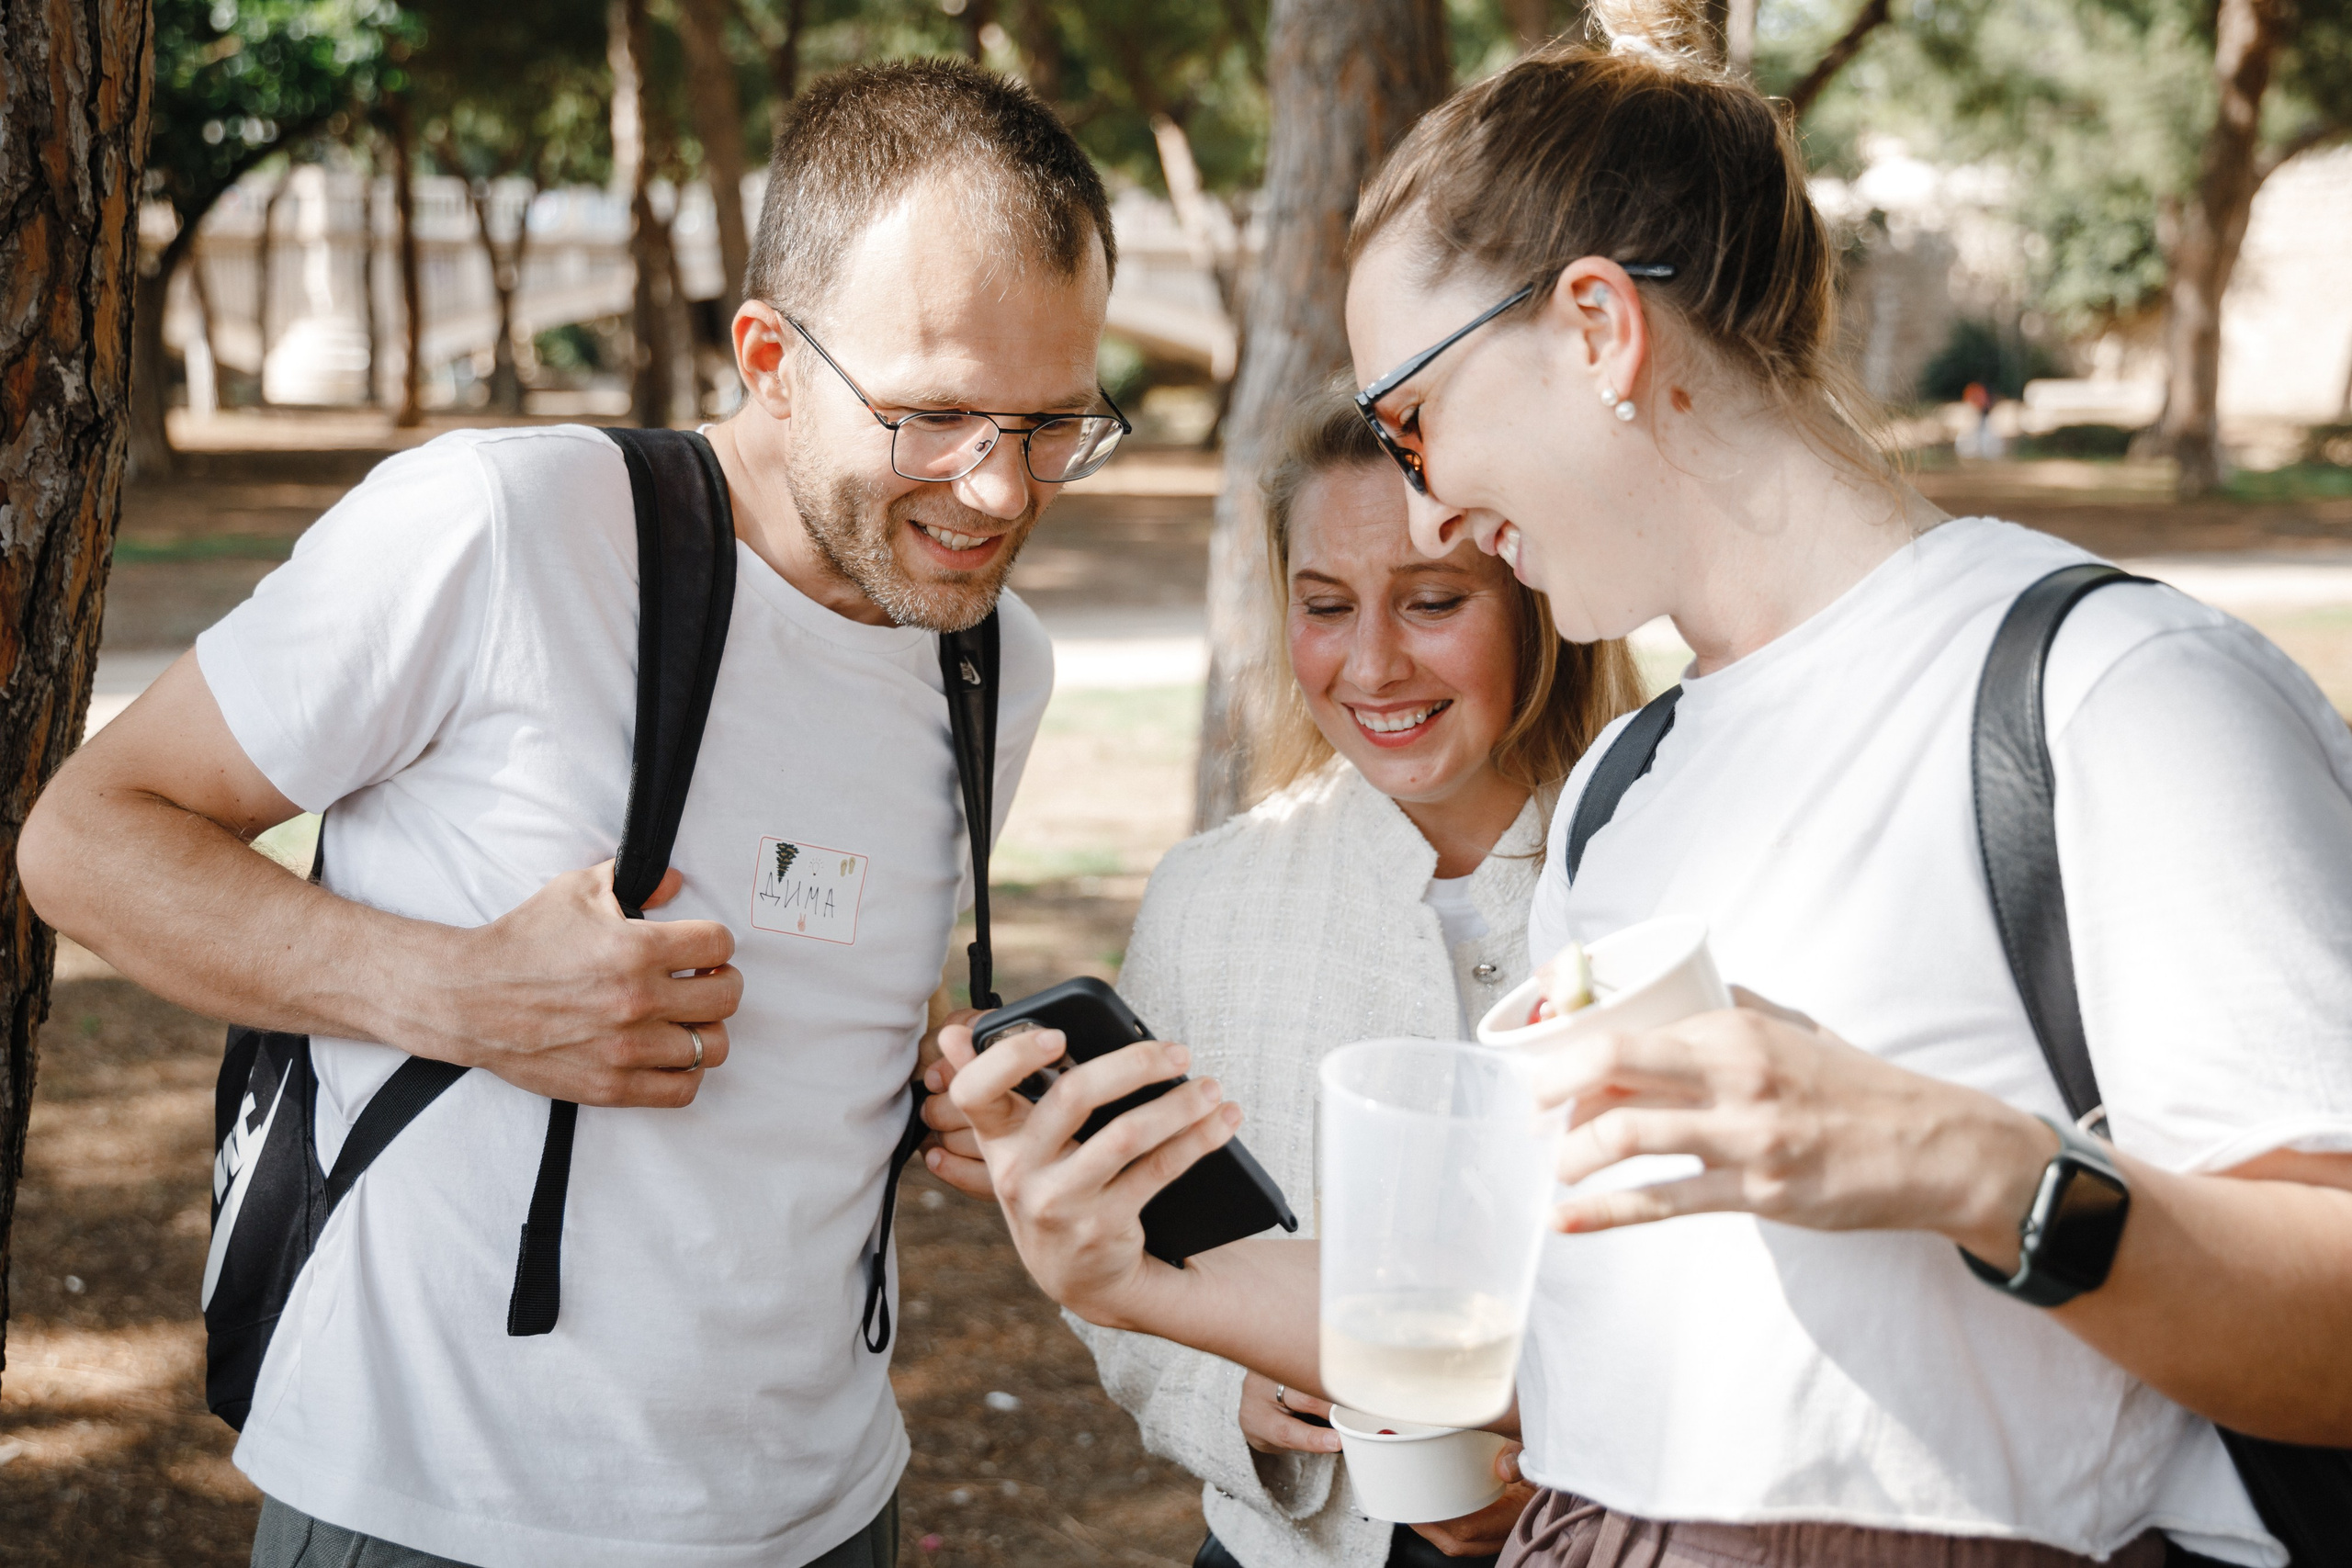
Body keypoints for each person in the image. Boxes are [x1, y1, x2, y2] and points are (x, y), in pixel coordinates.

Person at [931, 15, 2352, 1568]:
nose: (1432, 505)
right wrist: (1127, 1278)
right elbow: (1541, 1328)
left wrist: (1953, 1159)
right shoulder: (1629, 783)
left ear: (1600, 328)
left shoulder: (2114, 695)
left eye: (1414, 416)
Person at [21, 60, 1125, 1568]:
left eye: (1054, 422)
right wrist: (458, 993)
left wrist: (930, 1073)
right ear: (768, 356)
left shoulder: (1002, 659)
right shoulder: (503, 525)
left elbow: (820, 937)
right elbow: (85, 834)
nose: (996, 490)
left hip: (825, 1509)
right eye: (935, 413)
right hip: (435, 1507)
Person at [1057, 392, 1639, 1568]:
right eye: (1326, 607)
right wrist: (1220, 1391)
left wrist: (1564, 1457)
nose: (1372, 663)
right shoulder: (1209, 900)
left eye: (1432, 601)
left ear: (1537, 601)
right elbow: (1124, 1252)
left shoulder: (1653, 873)